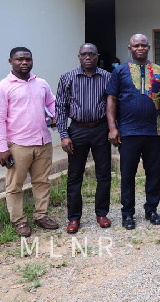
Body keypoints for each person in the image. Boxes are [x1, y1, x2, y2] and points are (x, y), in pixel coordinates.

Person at [0, 47, 59, 237]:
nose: (24, 62)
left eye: (28, 59)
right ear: (10, 61)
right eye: (19, 59)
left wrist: (54, 117)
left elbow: (51, 103)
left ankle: (41, 215)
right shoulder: (1, 87)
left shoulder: (42, 83)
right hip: (18, 145)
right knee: (14, 186)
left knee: (42, 181)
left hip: (43, 142)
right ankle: (19, 221)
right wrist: (2, 148)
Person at [106, 34, 160, 230]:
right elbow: (112, 100)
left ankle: (151, 209)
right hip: (128, 132)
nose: (140, 48)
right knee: (128, 174)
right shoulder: (120, 71)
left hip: (153, 132)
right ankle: (128, 213)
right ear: (129, 48)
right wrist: (112, 127)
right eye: (136, 45)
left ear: (148, 47)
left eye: (143, 45)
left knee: (153, 173)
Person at [56, 43, 112, 234]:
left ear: (97, 57)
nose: (88, 57)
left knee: (104, 174)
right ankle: (74, 218)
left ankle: (102, 213)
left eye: (91, 54)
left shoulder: (107, 77)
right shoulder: (67, 77)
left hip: (100, 129)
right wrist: (64, 135)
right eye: (84, 54)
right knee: (74, 176)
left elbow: (113, 105)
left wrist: (113, 129)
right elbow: (60, 108)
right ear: (78, 56)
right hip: (77, 130)